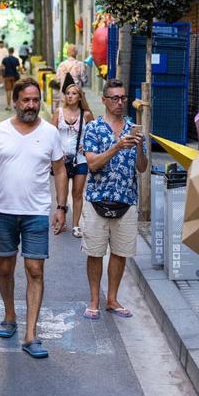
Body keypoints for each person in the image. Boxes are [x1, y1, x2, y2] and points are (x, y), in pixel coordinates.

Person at [0, 78, 68, 359]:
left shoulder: (51, 133)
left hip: (36, 213)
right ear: (15, 102)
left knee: (35, 270)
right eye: (25, 100)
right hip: (4, 211)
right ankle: (9, 315)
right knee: (5, 267)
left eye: (35, 100)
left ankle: (31, 335)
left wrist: (61, 207)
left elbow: (61, 170)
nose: (31, 105)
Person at [81, 79, 149, 319]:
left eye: (123, 98)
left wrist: (139, 147)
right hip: (97, 199)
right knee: (95, 253)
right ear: (104, 101)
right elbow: (92, 164)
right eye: (115, 98)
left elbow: (142, 168)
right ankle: (93, 301)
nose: (120, 103)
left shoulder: (133, 127)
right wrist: (118, 147)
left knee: (120, 253)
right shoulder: (94, 128)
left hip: (127, 200)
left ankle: (112, 299)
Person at [53, 79, 93, 238]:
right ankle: (61, 213)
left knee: (77, 192)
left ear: (80, 97)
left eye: (74, 93)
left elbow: (94, 133)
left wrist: (88, 146)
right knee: (61, 193)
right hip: (61, 159)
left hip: (80, 159)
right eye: (68, 93)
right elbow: (51, 133)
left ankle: (76, 225)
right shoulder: (59, 112)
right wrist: (57, 150)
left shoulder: (87, 114)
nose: (70, 96)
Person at [53, 44, 87, 108]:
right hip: (76, 94)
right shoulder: (80, 65)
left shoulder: (61, 65)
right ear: (76, 53)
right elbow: (84, 80)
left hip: (64, 94)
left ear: (67, 53)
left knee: (64, 111)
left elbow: (58, 78)